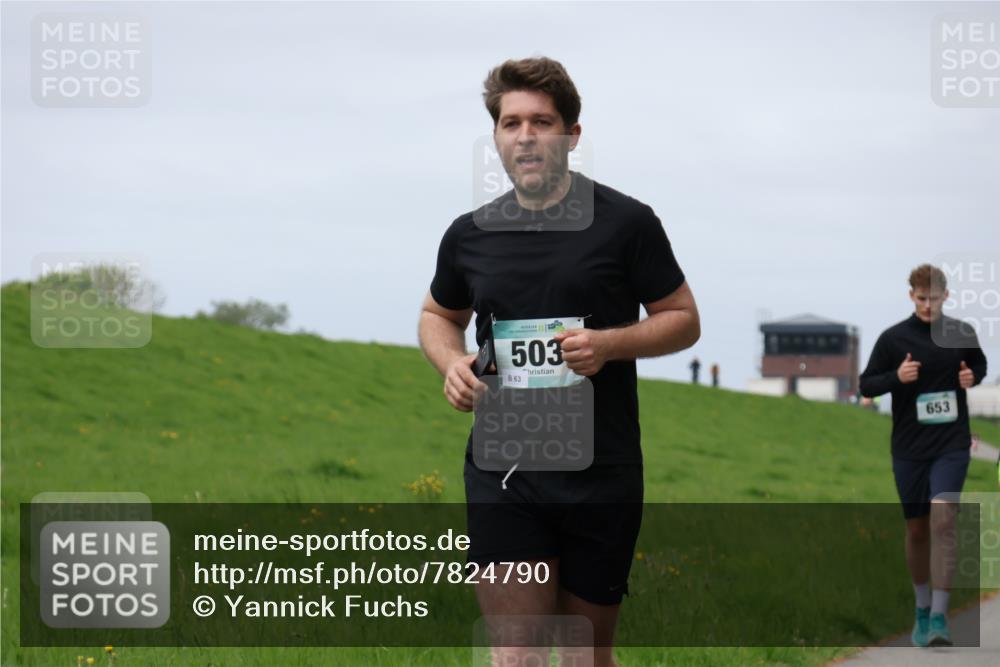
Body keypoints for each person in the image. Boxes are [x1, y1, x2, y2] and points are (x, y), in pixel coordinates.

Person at [417, 57, 700, 666]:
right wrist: (452, 364)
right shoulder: (470, 235)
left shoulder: (627, 223)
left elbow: (683, 319)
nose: (525, 135)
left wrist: (608, 345)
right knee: (516, 655)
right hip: (505, 469)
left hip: (602, 467)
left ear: (571, 134)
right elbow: (438, 316)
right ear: (495, 136)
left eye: (541, 122)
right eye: (510, 122)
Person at [859, 263, 988, 648]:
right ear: (910, 295)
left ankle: (939, 617)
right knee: (917, 529)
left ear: (945, 296)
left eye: (934, 298)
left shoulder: (961, 333)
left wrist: (972, 378)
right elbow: (867, 384)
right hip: (909, 448)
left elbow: (978, 365)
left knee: (943, 519)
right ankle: (921, 607)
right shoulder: (893, 339)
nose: (927, 305)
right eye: (921, 298)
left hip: (951, 444)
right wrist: (896, 378)